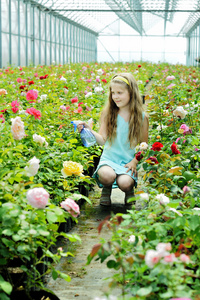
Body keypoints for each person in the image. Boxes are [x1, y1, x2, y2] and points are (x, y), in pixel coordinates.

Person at [77, 73, 149, 206]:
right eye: (113, 92)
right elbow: (103, 140)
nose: (115, 96)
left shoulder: (142, 117)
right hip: (109, 160)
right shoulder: (109, 114)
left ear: (131, 93)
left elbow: (144, 145)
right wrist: (89, 130)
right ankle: (106, 189)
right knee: (106, 176)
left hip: (128, 163)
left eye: (120, 93)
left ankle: (129, 191)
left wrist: (134, 161)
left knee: (125, 183)